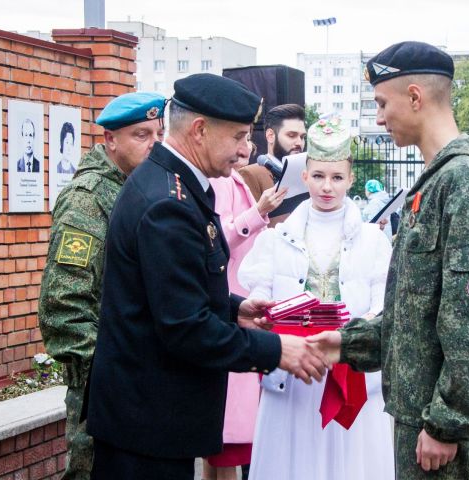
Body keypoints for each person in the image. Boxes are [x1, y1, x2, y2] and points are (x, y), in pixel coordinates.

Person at [85, 73, 328, 480]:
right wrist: (275, 351)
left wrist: (236, 309)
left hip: (152, 420)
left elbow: (179, 288)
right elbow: (184, 327)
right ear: (199, 130)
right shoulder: (168, 203)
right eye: (237, 137)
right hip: (147, 427)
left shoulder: (175, 185)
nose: (244, 150)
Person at [307, 41, 469, 480]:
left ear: (415, 97)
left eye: (382, 103)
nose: (379, 117)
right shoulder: (436, 182)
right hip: (421, 417)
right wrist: (345, 343)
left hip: (438, 433)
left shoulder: (464, 181)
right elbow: (416, 312)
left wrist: (447, 423)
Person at [238, 117, 394, 480]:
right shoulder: (277, 238)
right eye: (319, 176)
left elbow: (383, 303)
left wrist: (351, 337)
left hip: (350, 373)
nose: (327, 186)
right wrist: (268, 314)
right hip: (295, 374)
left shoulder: (373, 240)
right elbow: (261, 291)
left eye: (337, 177)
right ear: (304, 176)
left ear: (351, 179)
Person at [38, 91, 166, 480]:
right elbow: (63, 303)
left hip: (137, 381)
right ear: (110, 140)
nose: (153, 145)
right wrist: (109, 373)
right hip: (106, 390)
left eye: (158, 134)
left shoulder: (133, 187)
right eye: (141, 135)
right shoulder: (89, 198)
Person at [205, 140, 287, 480]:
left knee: (233, 442)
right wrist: (256, 214)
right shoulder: (221, 183)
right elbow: (217, 239)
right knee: (225, 443)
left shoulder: (238, 180)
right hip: (231, 303)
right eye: (237, 138)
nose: (244, 147)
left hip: (243, 305)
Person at [239, 103, 307, 226]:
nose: (299, 142)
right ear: (270, 136)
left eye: (302, 137)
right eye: (291, 135)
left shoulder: (308, 174)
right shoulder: (250, 173)